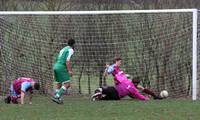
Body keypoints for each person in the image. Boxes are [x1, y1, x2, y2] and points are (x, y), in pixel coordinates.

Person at [51, 38, 75, 104]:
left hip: (56, 66)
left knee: (59, 83)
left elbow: (58, 58)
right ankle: (57, 96)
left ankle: (58, 99)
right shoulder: (71, 50)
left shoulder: (62, 49)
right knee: (67, 84)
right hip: (61, 67)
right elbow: (67, 61)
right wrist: (69, 70)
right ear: (73, 44)